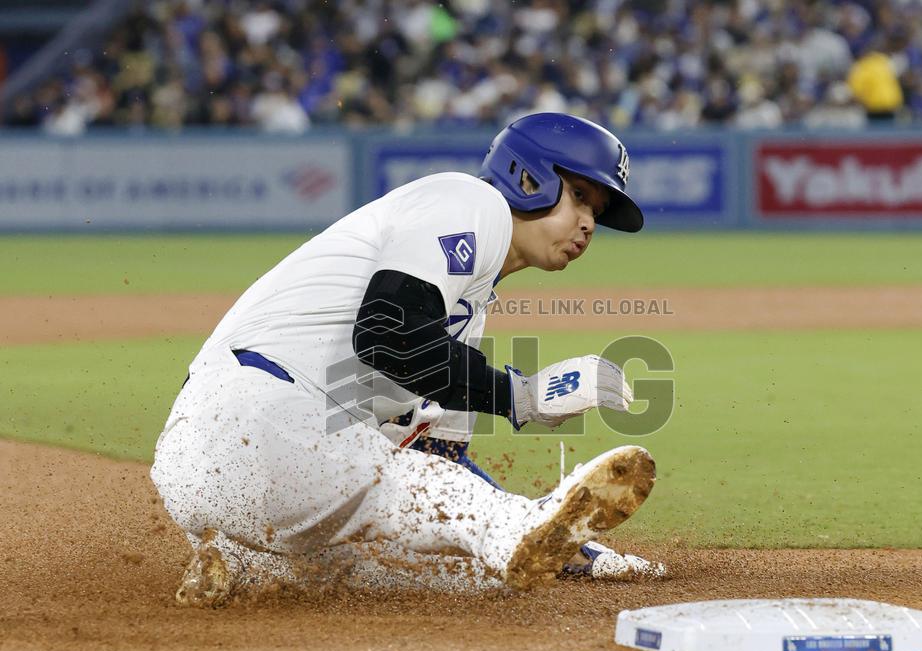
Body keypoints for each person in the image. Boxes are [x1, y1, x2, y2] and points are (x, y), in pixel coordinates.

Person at [150, 112, 661, 607]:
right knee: (427, 504)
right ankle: (520, 525)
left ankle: (241, 562)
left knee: (445, 572)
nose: (589, 224)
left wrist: (566, 549)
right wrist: (519, 397)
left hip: (220, 470)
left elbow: (441, 459)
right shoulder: (470, 201)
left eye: (596, 211)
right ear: (527, 178)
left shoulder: (465, 302)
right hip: (254, 421)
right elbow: (387, 335)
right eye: (579, 197)